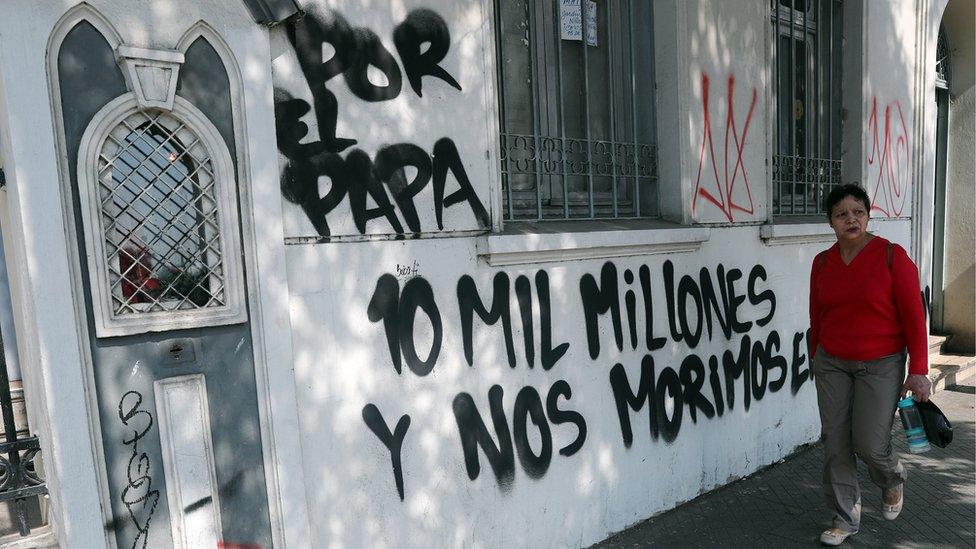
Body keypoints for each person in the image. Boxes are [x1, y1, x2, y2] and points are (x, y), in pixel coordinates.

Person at [808, 184, 931, 546]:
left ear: (868, 215)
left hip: (881, 363)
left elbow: (913, 316)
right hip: (832, 362)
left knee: (871, 445)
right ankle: (844, 518)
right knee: (836, 443)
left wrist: (919, 370)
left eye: (858, 211)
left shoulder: (891, 256)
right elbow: (817, 313)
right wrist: (816, 354)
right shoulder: (822, 262)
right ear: (830, 221)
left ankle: (892, 478)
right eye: (842, 213)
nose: (851, 219)